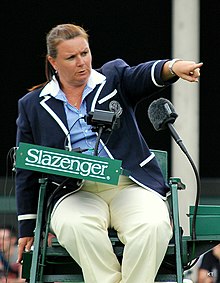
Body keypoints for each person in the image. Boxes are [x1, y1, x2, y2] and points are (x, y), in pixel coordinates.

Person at [15, 23, 203, 283]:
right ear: (53, 62)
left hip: (129, 185)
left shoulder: (113, 77)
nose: (82, 62)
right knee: (75, 227)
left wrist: (173, 67)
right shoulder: (32, 105)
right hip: (74, 191)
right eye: (71, 57)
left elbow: (144, 74)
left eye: (85, 53)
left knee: (153, 226)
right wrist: (27, 225)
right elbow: (26, 168)